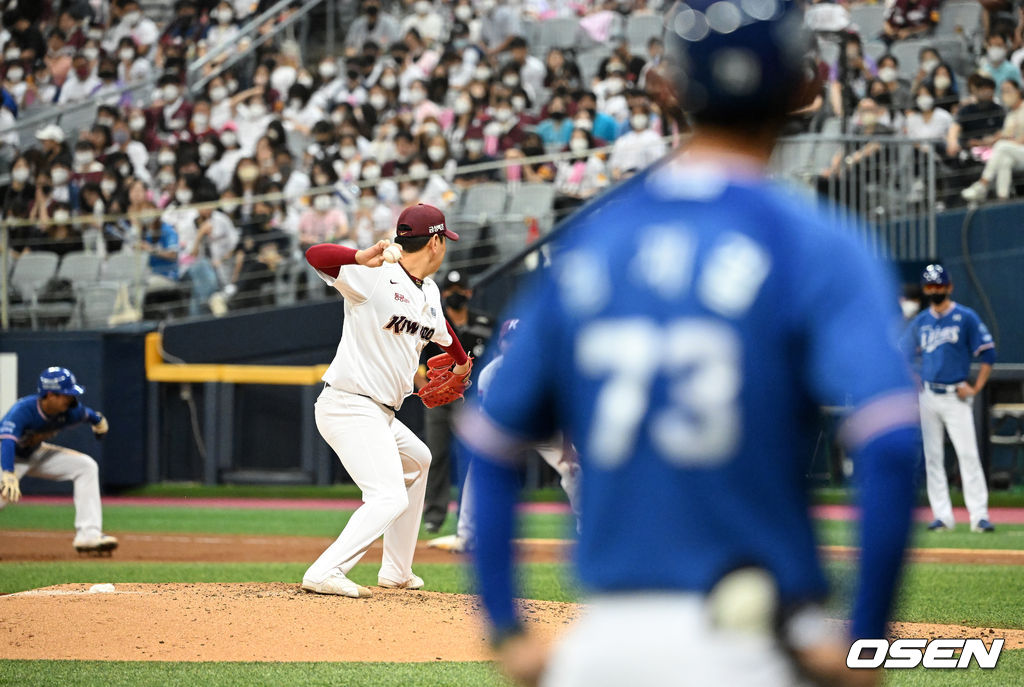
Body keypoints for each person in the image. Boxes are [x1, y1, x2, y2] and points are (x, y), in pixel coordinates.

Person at [455, 2, 921, 686]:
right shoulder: (820, 245)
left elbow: (489, 443)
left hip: (606, 646)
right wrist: (868, 636)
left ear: (667, 88)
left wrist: (506, 628)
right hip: (757, 642)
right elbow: (889, 444)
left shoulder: (590, 247)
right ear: (804, 85)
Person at [300, 203, 471, 598]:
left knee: (419, 460)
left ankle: (396, 570)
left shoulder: (428, 291)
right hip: (349, 404)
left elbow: (442, 330)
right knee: (388, 494)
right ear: (435, 241)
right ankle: (326, 570)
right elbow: (315, 256)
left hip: (380, 414)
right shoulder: (375, 275)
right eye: (445, 240)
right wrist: (360, 257)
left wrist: (461, 364)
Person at [429, 319, 580, 554]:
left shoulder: (546, 366)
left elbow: (563, 406)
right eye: (509, 340)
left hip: (544, 429)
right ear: (501, 342)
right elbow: (487, 419)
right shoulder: (490, 373)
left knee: (574, 468)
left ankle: (584, 531)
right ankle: (466, 536)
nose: (513, 345)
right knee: (476, 470)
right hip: (508, 429)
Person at [901, 265, 996, 533]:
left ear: (949, 286)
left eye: (939, 286)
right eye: (930, 287)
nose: (935, 291)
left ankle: (979, 516)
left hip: (956, 395)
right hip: (928, 395)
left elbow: (988, 354)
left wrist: (976, 388)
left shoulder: (965, 317)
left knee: (967, 455)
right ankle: (942, 516)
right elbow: (902, 352)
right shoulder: (921, 321)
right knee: (932, 457)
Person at [0, 367, 117, 555]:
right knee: (2, 497)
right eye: (65, 394)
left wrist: (98, 422)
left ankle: (88, 535)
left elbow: (88, 414)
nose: (70, 399)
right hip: (7, 456)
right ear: (49, 395)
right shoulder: (24, 409)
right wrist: (7, 471)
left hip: (37, 454)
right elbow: (7, 441)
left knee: (86, 467)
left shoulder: (70, 411)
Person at [416, 270, 493, 533]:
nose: (454, 294)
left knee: (474, 459)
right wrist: (428, 391)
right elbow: (416, 363)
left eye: (459, 288)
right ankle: (434, 517)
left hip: (475, 402)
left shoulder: (486, 322)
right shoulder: (432, 322)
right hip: (441, 401)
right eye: (449, 290)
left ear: (469, 292)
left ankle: (470, 517)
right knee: (435, 456)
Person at [960, 79, 1024, 202]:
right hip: (1017, 154)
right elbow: (1004, 135)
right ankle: (1002, 199)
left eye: (1008, 90)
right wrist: (986, 141)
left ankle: (982, 184)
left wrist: (1008, 141)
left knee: (1001, 146)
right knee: (1004, 160)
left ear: (1018, 91)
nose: (1006, 94)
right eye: (1003, 91)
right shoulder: (1010, 115)